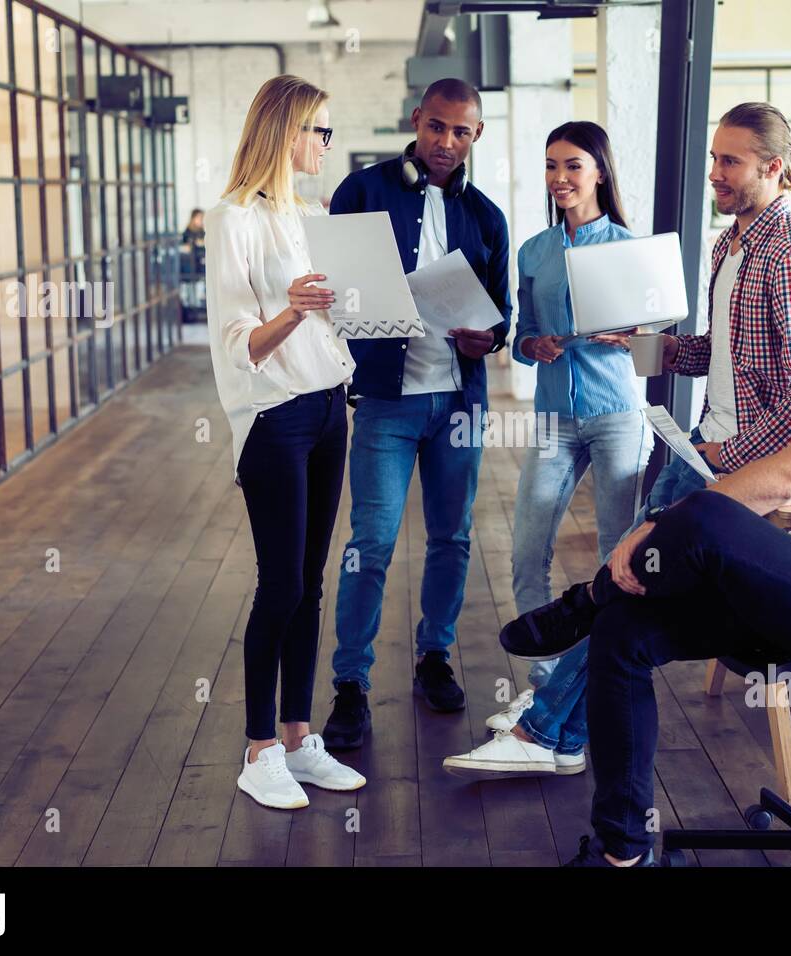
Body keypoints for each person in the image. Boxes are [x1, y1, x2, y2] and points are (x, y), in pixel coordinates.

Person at [500, 218, 791, 866]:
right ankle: (623, 851)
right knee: (625, 631)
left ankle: (587, 596)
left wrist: (661, 527)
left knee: (705, 514)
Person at [457, 102, 791, 777]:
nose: (715, 173)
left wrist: (734, 454)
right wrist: (648, 346)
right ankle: (557, 731)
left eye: (730, 161)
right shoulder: (731, 244)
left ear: (774, 168)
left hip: (730, 458)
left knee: (623, 577)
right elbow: (715, 352)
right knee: (623, 581)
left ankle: (546, 731)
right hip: (699, 443)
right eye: (714, 158)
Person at [442, 121, 650, 780]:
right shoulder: (533, 250)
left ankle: (588, 703)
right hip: (555, 417)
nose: (561, 178)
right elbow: (521, 332)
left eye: (575, 167)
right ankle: (552, 680)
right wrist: (535, 347)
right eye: (552, 166)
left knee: (621, 564)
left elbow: (658, 347)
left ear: (600, 174)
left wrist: (632, 338)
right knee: (526, 546)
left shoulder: (628, 247)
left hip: (618, 415)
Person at [321, 78, 512, 750]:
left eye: (461, 132)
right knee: (369, 542)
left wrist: (485, 337)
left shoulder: (487, 217)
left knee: (453, 537)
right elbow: (333, 291)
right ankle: (351, 684)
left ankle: (435, 657)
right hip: (385, 401)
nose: (446, 142)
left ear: (476, 136)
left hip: (456, 399)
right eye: (437, 127)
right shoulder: (362, 193)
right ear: (416, 121)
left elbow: (502, 317)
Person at [205, 74, 366, 810]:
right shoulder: (232, 217)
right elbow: (239, 342)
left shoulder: (313, 214)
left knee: (312, 582)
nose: (326, 144)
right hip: (274, 418)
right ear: (285, 131)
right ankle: (258, 748)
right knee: (282, 585)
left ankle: (301, 741)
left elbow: (335, 314)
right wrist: (297, 312)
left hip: (330, 405)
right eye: (319, 130)